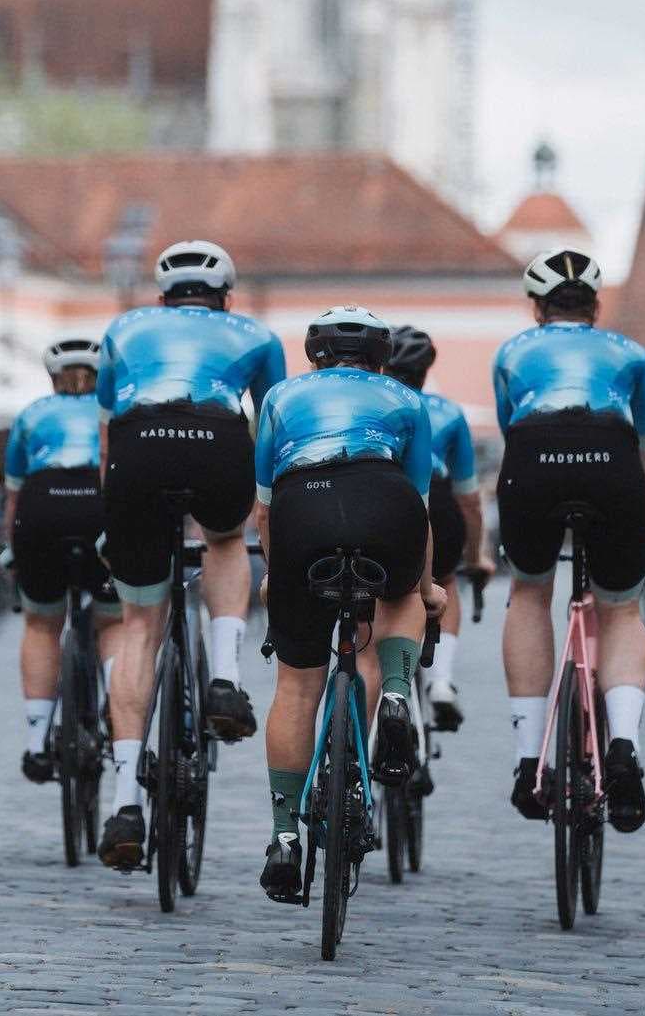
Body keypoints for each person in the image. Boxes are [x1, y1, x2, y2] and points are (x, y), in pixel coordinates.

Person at [95, 239, 286, 871]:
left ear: (162, 297)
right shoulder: (254, 334)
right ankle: (225, 680)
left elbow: (107, 425)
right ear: (225, 298)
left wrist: (112, 510)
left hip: (137, 447)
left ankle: (124, 804)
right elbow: (275, 426)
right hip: (216, 440)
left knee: (139, 626)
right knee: (226, 539)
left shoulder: (124, 327)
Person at [493, 247, 645, 834]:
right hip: (612, 460)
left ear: (537, 309)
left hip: (534, 459)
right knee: (622, 609)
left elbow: (513, 435)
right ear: (597, 306)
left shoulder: (512, 353)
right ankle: (623, 748)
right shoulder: (633, 356)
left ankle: (531, 760)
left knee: (530, 594)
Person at [253, 306, 445, 902]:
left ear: (315, 352)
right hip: (383, 500)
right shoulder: (406, 399)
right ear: (381, 355)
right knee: (403, 597)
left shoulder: (281, 397)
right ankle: (393, 692)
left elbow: (263, 506)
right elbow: (420, 508)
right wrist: (427, 588)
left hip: (300, 508)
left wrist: (275, 575)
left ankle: (286, 837)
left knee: (296, 685)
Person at [3, 336, 123, 783]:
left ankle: (36, 743)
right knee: (115, 621)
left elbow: (13, 497)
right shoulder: (114, 412)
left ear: (52, 377)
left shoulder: (31, 414)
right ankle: (117, 708)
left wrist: (12, 550)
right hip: (97, 505)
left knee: (40, 624)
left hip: (41, 508)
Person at [385, 324, 494, 732]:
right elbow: (469, 497)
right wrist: (476, 556)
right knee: (444, 578)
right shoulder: (448, 412)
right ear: (425, 370)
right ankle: (442, 681)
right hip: (442, 505)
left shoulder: (372, 403)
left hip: (382, 501)